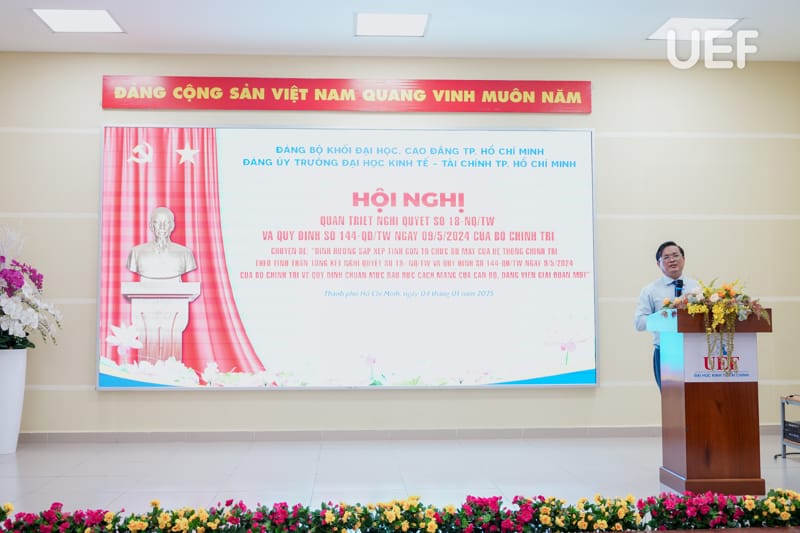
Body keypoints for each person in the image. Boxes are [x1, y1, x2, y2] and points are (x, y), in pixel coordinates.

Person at [634, 241, 698, 390]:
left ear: (683, 259)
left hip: (694, 350)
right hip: (666, 353)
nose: (672, 260)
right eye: (667, 257)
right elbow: (639, 323)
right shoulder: (650, 290)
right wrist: (663, 318)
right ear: (659, 264)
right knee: (671, 399)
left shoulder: (696, 287)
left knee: (696, 397)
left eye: (676, 255)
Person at [127, 206, 197, 280]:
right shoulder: (136, 253)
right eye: (157, 222)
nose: (162, 227)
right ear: (151, 226)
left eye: (166, 222)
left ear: (172, 226)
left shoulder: (185, 253)